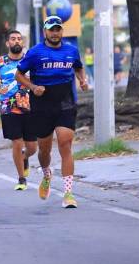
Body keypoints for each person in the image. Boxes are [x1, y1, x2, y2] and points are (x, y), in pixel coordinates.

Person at [15, 16, 88, 209]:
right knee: (44, 150)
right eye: (52, 30)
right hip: (42, 102)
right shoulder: (35, 52)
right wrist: (32, 87)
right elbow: (19, 74)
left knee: (65, 143)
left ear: (62, 31)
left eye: (58, 30)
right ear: (45, 32)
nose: (55, 33)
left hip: (65, 101)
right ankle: (47, 173)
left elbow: (78, 67)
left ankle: (68, 194)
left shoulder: (71, 50)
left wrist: (82, 80)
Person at [0, 30, 37, 190]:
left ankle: (24, 158)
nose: (16, 41)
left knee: (32, 147)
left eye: (19, 39)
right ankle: (21, 178)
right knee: (17, 142)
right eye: (13, 39)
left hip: (31, 106)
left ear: (22, 42)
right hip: (8, 107)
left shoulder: (30, 60)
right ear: (7, 43)